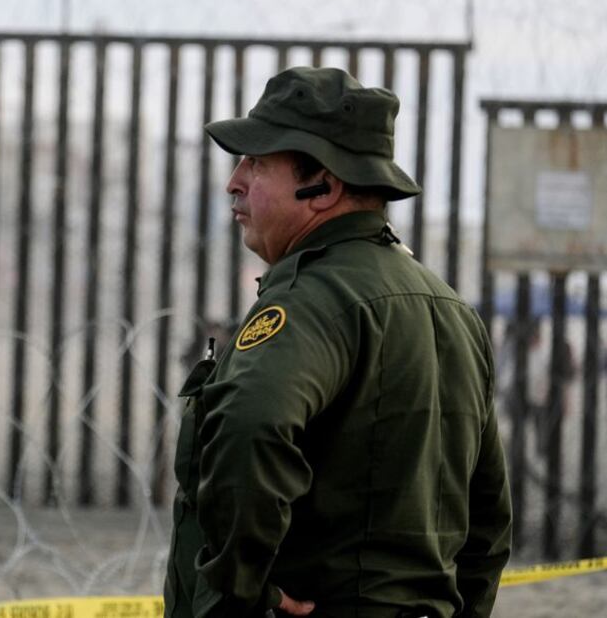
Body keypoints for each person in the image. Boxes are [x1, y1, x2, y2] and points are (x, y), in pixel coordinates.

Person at [163, 67, 511, 618]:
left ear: (322, 185)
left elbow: (251, 425)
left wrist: (243, 594)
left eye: (256, 162)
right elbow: (487, 513)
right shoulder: (450, 309)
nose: (234, 181)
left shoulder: (310, 302)